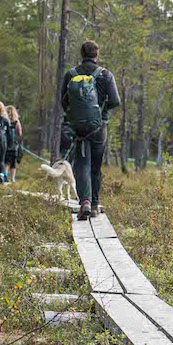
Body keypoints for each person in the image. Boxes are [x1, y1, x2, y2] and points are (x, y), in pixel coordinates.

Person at [61, 40, 120, 220]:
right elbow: (115, 101)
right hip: (99, 127)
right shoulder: (105, 75)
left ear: (81, 54)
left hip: (78, 127)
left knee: (81, 163)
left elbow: (63, 102)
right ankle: (94, 205)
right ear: (97, 55)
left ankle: (84, 202)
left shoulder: (71, 74)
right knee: (95, 166)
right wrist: (101, 111)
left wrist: (76, 115)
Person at [5, 105, 23, 183]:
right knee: (13, 163)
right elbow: (20, 133)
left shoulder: (5, 121)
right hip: (14, 145)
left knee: (6, 162)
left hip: (6, 144)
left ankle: (5, 176)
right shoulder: (17, 122)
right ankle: (12, 179)